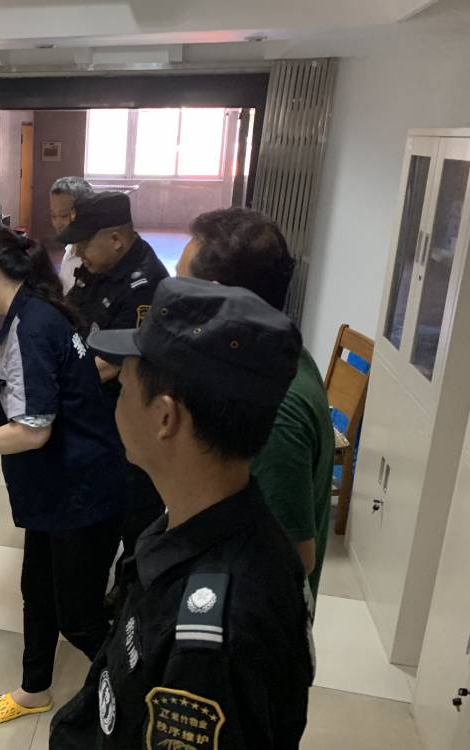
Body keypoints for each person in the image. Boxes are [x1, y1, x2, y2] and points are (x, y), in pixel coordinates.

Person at [50, 277, 315, 749]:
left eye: (124, 388)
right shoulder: (189, 522)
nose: (116, 403)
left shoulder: (214, 634)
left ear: (165, 417)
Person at [0, 222, 127, 726]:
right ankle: (33, 689)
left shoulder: (32, 325)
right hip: (57, 490)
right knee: (37, 591)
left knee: (79, 618)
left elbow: (32, 430)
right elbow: (23, 400)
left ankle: (137, 698)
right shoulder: (33, 312)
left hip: (81, 492)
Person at [176, 208, 334, 600]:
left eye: (180, 286)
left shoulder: (272, 407)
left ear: (219, 298)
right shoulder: (272, 354)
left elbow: (294, 557)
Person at [57, 191, 169, 610]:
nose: (77, 253)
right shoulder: (97, 267)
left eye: (84, 243)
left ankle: (131, 591)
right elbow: (71, 316)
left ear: (117, 239)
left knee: (136, 508)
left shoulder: (145, 284)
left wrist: (55, 381)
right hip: (97, 409)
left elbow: (114, 363)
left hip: (132, 415)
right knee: (102, 499)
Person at [49, 176, 94, 293]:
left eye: (64, 216)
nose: (57, 224)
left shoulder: (93, 261)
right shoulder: (70, 248)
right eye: (53, 216)